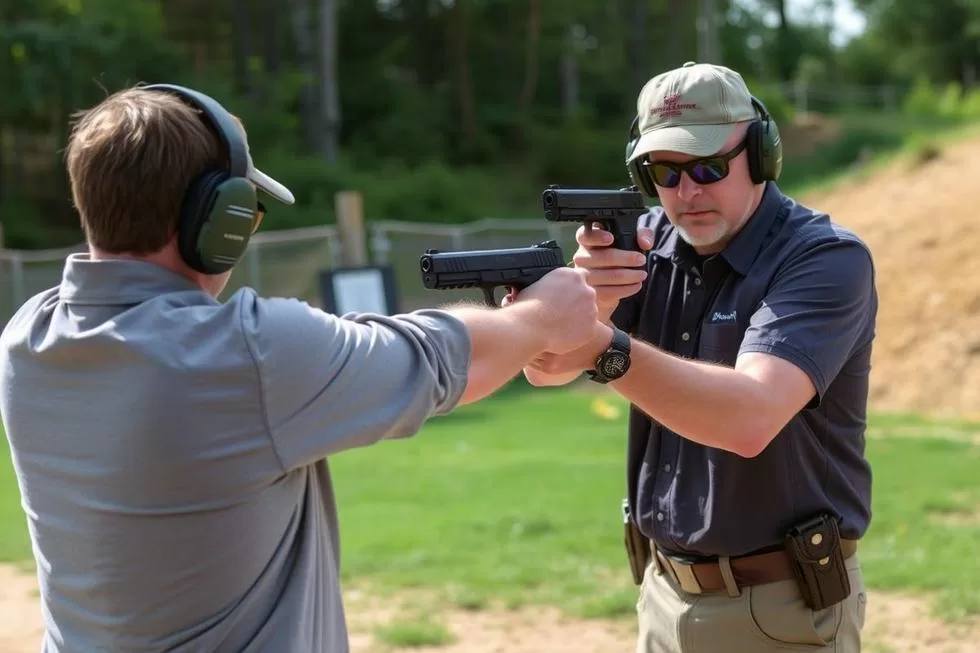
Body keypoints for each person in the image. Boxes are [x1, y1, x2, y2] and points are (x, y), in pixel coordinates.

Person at [0, 84, 602, 653]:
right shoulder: (245, 353)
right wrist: (546, 315)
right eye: (248, 210)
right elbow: (440, 360)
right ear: (220, 218)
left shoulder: (27, 338)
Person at [523, 62, 878, 653]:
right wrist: (592, 305)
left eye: (710, 166)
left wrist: (598, 344)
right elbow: (544, 369)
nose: (687, 192)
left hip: (782, 608)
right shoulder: (646, 242)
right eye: (664, 171)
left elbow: (749, 418)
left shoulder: (824, 259)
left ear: (762, 153)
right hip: (662, 593)